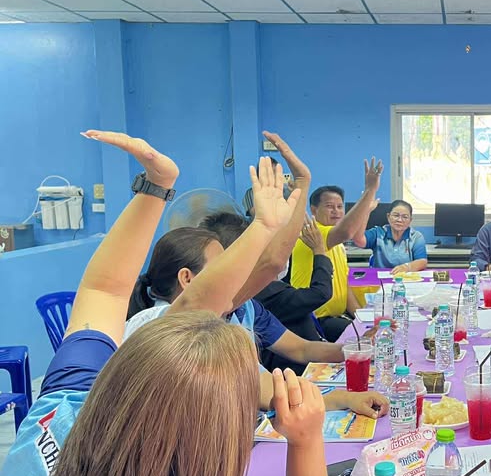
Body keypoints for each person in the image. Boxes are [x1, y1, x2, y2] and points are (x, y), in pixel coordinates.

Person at [0, 131, 335, 476]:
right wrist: (306, 442)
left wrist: (157, 185)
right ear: (217, 444)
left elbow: (103, 291)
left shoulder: (59, 409)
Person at [127, 206, 385, 419]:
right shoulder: (158, 329)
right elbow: (273, 263)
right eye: (225, 266)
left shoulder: (235, 312)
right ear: (187, 278)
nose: (238, 274)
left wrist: (341, 397)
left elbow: (259, 385)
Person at [200, 211, 334, 375]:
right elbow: (319, 293)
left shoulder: (249, 307)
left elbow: (302, 349)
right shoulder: (265, 293)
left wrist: (353, 351)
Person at [290, 158, 383, 341]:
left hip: (336, 317)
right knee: (371, 341)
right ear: (314, 210)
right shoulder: (313, 233)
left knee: (379, 330)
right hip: (315, 321)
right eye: (329, 206)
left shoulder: (338, 244)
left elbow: (344, 287)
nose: (336, 211)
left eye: (340, 207)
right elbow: (347, 231)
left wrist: (361, 317)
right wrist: (370, 190)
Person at [351, 199, 428, 274]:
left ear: (410, 220)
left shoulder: (416, 236)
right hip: (379, 279)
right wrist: (366, 211)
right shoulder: (378, 233)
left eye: (405, 217)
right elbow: (359, 240)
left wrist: (407, 267)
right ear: (388, 217)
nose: (399, 220)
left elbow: (422, 261)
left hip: (405, 278)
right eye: (396, 215)